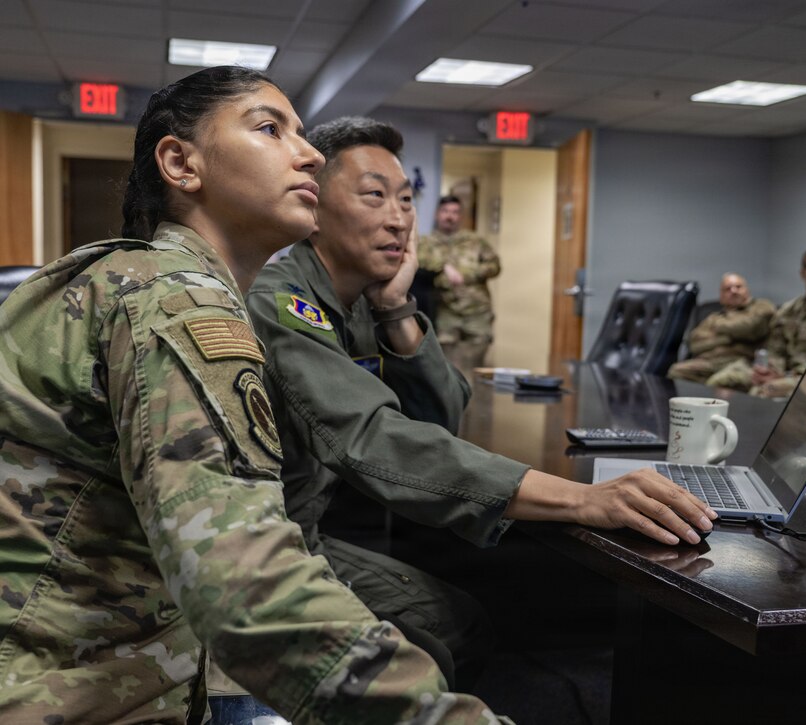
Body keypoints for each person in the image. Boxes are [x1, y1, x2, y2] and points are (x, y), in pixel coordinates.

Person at [0, 66, 509, 724]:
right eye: (270, 128)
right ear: (180, 164)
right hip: (71, 686)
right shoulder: (176, 298)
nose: (311, 153)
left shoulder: (157, 279)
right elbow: (244, 584)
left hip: (117, 650)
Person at [245, 116, 717, 689]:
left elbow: (441, 417)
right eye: (374, 196)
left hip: (310, 532)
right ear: (313, 209)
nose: (399, 218)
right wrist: (578, 498)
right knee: (446, 633)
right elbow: (370, 437)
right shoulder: (282, 304)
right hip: (264, 548)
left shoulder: (362, 303)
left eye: (404, 199)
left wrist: (397, 308)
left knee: (463, 619)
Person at [708, 246, 806, 398]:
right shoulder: (788, 310)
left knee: (763, 391)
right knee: (720, 380)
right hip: (783, 373)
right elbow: (775, 349)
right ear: (802, 273)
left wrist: (778, 379)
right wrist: (770, 372)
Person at [417, 195, 500, 374]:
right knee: (446, 366)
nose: (450, 216)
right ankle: (452, 402)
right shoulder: (426, 243)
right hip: (445, 311)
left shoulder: (475, 241)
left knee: (475, 366)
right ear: (437, 215)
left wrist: (469, 273)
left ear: (460, 216)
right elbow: (419, 261)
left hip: (477, 311)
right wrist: (443, 267)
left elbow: (495, 266)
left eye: (455, 212)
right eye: (446, 211)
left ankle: (477, 401)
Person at [666, 272, 776, 385]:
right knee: (676, 370)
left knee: (718, 382)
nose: (733, 291)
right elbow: (694, 343)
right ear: (721, 296)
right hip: (709, 362)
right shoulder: (714, 317)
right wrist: (730, 337)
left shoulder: (761, 306)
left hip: (741, 361)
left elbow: (750, 328)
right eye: (728, 289)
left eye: (738, 287)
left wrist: (718, 330)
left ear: (747, 290)